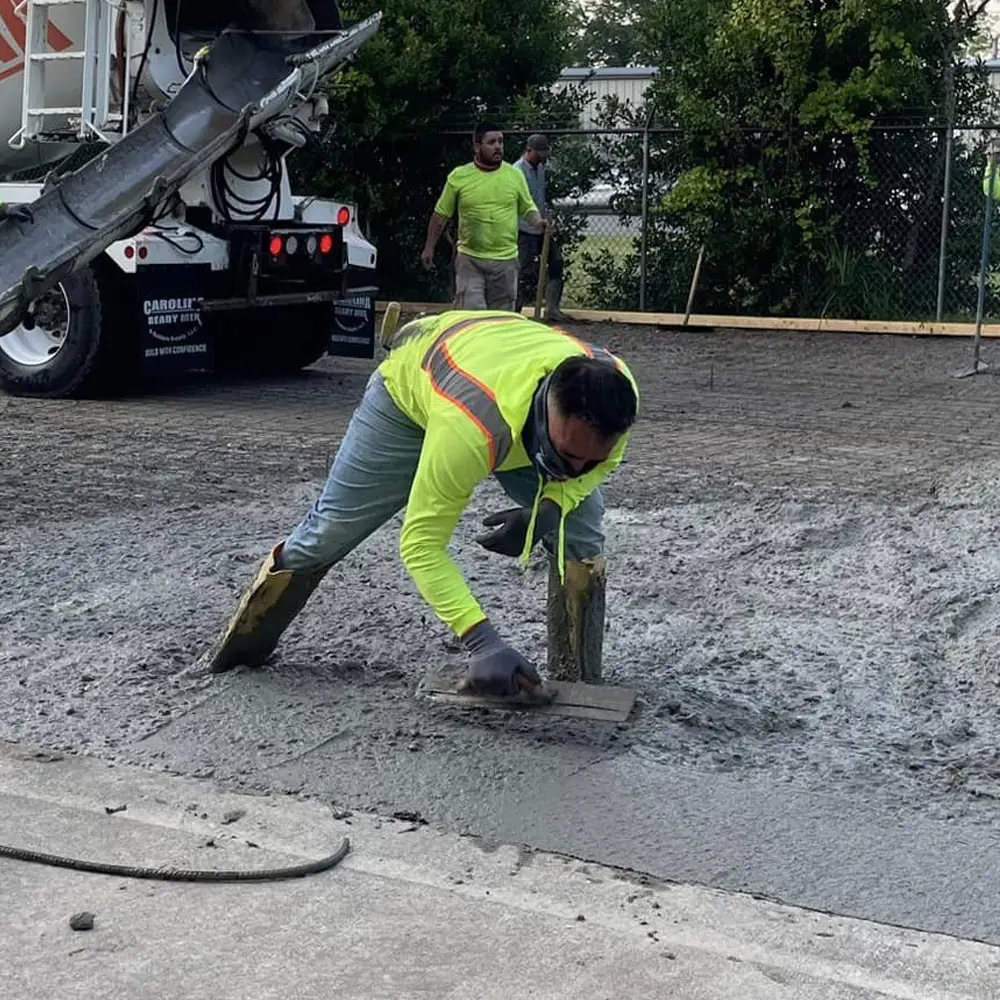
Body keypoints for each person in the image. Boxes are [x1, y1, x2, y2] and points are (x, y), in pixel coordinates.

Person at [208, 309, 640, 699]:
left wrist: (553, 506)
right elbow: (420, 544)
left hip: (496, 363)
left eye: (590, 460)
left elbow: (598, 466)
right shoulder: (472, 429)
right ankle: (242, 648)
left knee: (581, 529)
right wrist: (482, 641)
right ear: (547, 413)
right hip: (414, 390)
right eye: (566, 456)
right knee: (329, 533)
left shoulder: (617, 398)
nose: (575, 469)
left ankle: (577, 677)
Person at [421, 123, 546, 311]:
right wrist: (429, 247)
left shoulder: (514, 175)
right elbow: (440, 216)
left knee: (501, 322)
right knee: (472, 319)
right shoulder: (460, 176)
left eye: (501, 142)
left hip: (505, 262)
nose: (498, 146)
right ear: (477, 147)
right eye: (492, 142)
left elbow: (527, 207)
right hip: (470, 260)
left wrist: (539, 222)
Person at [514, 134, 565, 321]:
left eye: (546, 153)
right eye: (540, 153)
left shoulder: (540, 169)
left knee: (556, 263)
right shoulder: (516, 171)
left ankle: (552, 309)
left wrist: (546, 220)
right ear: (529, 150)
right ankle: (514, 311)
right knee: (524, 271)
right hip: (525, 230)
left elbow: (540, 198)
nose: (544, 157)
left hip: (542, 227)